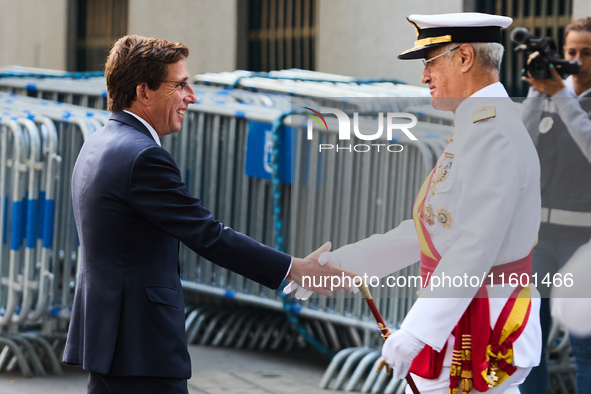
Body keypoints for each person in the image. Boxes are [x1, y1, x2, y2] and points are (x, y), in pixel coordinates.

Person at [62, 35, 353, 394]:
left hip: (110, 339)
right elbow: (209, 234)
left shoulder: (100, 141)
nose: (192, 96)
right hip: (139, 346)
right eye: (180, 85)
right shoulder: (142, 156)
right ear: (143, 91)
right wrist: (295, 269)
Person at [286, 12, 542, 393]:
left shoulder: (492, 134)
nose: (424, 76)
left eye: (430, 61)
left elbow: (474, 246)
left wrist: (417, 333)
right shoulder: (479, 126)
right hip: (463, 323)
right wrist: (345, 264)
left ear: (464, 57)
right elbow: (434, 228)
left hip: (477, 329)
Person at [519, 16, 591, 394]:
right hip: (540, 239)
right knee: (530, 341)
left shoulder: (569, 99)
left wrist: (562, 97)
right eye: (571, 52)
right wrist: (537, 90)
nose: (577, 60)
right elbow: (519, 143)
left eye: (587, 53)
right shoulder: (551, 94)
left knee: (585, 345)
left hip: (584, 242)